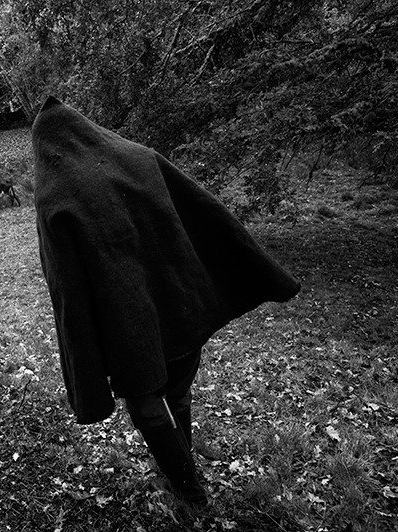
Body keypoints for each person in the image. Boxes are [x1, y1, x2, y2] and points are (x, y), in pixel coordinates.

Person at [32, 97, 301, 506]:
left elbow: (66, 289)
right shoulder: (139, 157)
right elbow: (203, 206)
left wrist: (85, 371)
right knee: (177, 389)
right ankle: (184, 466)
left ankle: (187, 489)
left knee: (147, 405)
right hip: (182, 305)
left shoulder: (55, 193)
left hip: (130, 325)